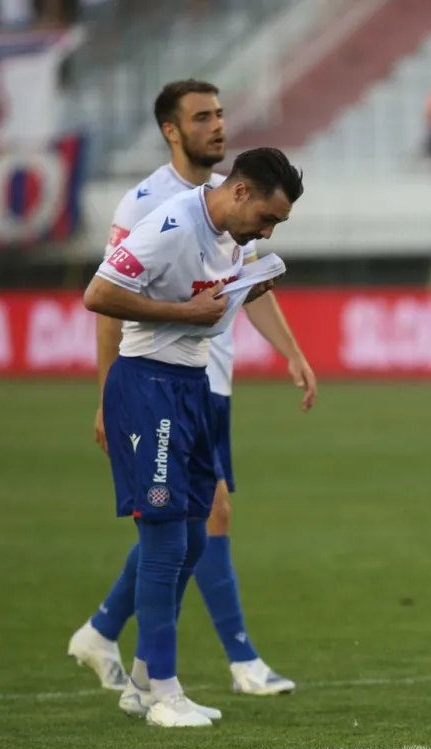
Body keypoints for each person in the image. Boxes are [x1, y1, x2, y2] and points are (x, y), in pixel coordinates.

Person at [68, 81, 314, 700]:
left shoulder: (234, 216)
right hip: (152, 377)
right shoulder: (150, 206)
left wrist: (290, 351)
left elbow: (241, 286)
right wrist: (106, 395)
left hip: (202, 378)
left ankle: (110, 638)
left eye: (221, 114)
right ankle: (220, 664)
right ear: (171, 130)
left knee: (192, 522)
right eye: (203, 117)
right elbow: (106, 299)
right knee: (185, 520)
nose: (218, 125)